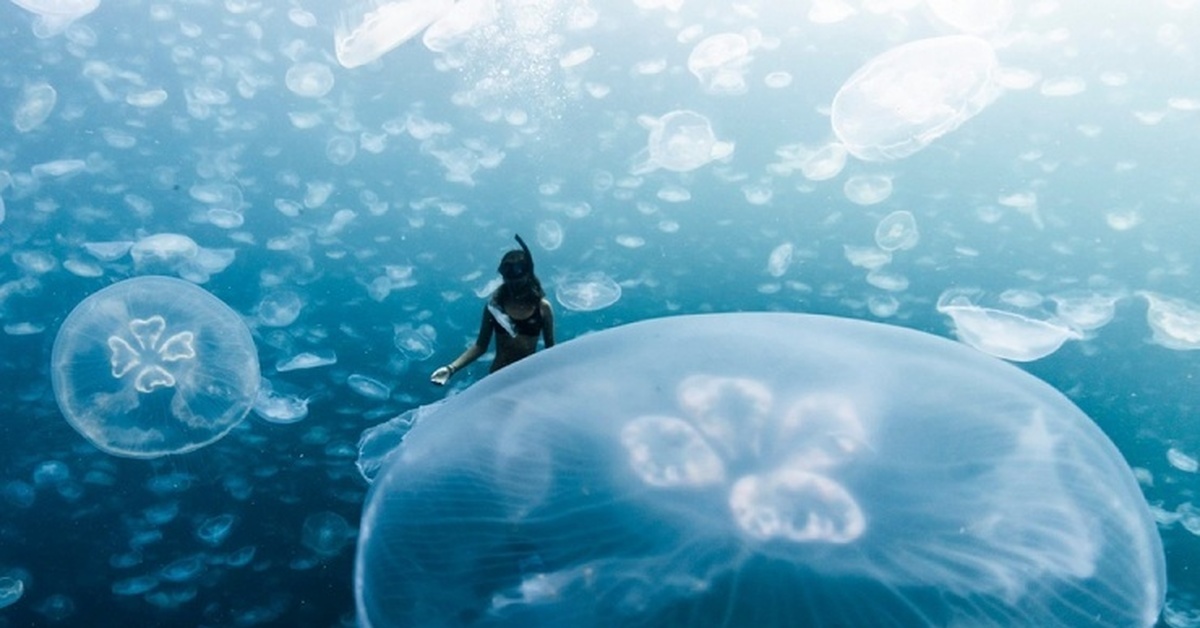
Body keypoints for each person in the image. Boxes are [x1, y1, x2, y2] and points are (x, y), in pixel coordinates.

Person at [431, 234, 555, 385]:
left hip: (527, 380)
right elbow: (480, 346)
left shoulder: (543, 308)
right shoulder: (494, 307)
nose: (513, 285)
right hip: (497, 377)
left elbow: (551, 351)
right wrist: (451, 369)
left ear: (528, 275)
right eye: (508, 280)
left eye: (518, 280)